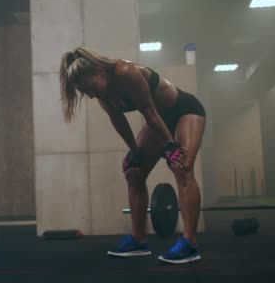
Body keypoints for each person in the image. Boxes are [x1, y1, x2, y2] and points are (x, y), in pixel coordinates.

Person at [59, 47, 206, 264]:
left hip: (184, 110)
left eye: (89, 87)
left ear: (98, 71)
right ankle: (138, 241)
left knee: (181, 166)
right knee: (133, 171)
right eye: (85, 92)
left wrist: (171, 147)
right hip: (158, 119)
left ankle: (189, 243)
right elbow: (119, 122)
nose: (90, 94)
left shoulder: (125, 72)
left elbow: (150, 112)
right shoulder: (103, 95)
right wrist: (135, 153)